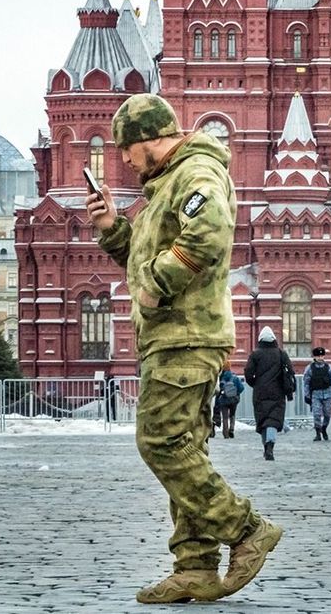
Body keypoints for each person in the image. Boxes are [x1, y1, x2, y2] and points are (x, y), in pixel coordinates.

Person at [86, 94, 280, 603]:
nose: (125, 161)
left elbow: (209, 233)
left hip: (187, 335)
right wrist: (112, 230)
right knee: (185, 448)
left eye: (127, 149)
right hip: (170, 336)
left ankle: (245, 530)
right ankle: (194, 566)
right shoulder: (164, 186)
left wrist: (157, 281)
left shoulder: (196, 171)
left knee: (161, 443)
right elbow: (144, 255)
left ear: (151, 139)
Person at [244, 326, 294, 461]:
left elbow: (248, 372)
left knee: (263, 420)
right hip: (277, 392)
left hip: (260, 392)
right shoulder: (281, 353)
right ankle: (270, 445)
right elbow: (290, 371)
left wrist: (254, 383)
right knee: (273, 420)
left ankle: (266, 446)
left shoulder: (255, 354)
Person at [302, 347, 331, 441]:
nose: (320, 357)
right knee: (317, 414)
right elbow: (306, 382)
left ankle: (324, 428)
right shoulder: (310, 368)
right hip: (315, 394)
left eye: (321, 355)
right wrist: (307, 395)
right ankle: (318, 432)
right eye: (318, 356)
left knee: (327, 414)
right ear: (314, 357)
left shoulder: (329, 367)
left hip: (327, 393)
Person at [215, 369, 245, 439]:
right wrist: (236, 393)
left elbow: (218, 390)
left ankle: (225, 433)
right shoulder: (235, 377)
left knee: (225, 417)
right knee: (232, 414)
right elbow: (241, 388)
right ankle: (231, 429)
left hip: (224, 400)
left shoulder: (221, 378)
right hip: (234, 400)